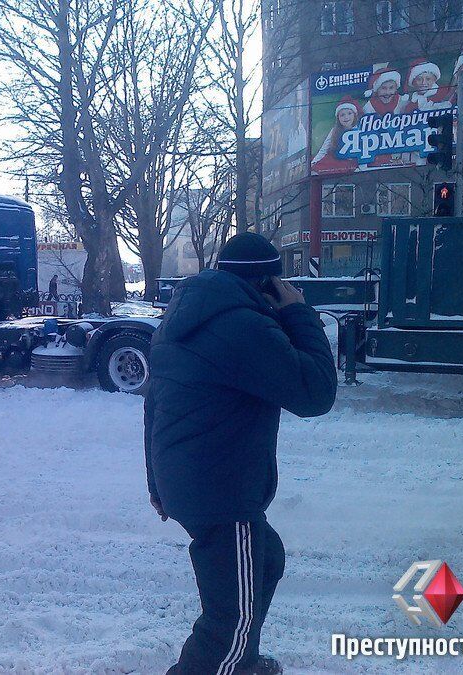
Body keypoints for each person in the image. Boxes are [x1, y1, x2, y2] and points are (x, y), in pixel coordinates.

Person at [145, 232, 337, 675]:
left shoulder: (187, 313)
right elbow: (315, 393)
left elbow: (155, 403)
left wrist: (157, 482)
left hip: (193, 480)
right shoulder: (243, 326)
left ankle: (239, 662)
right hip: (222, 489)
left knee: (264, 559)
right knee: (232, 619)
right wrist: (298, 313)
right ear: (268, 284)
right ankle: (231, 661)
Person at [311, 96, 360, 174]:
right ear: (338, 118)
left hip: (355, 162)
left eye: (349, 113)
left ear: (355, 115)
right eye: (342, 115)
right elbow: (324, 148)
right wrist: (314, 162)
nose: (346, 117)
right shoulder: (335, 130)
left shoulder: (361, 128)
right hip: (337, 161)